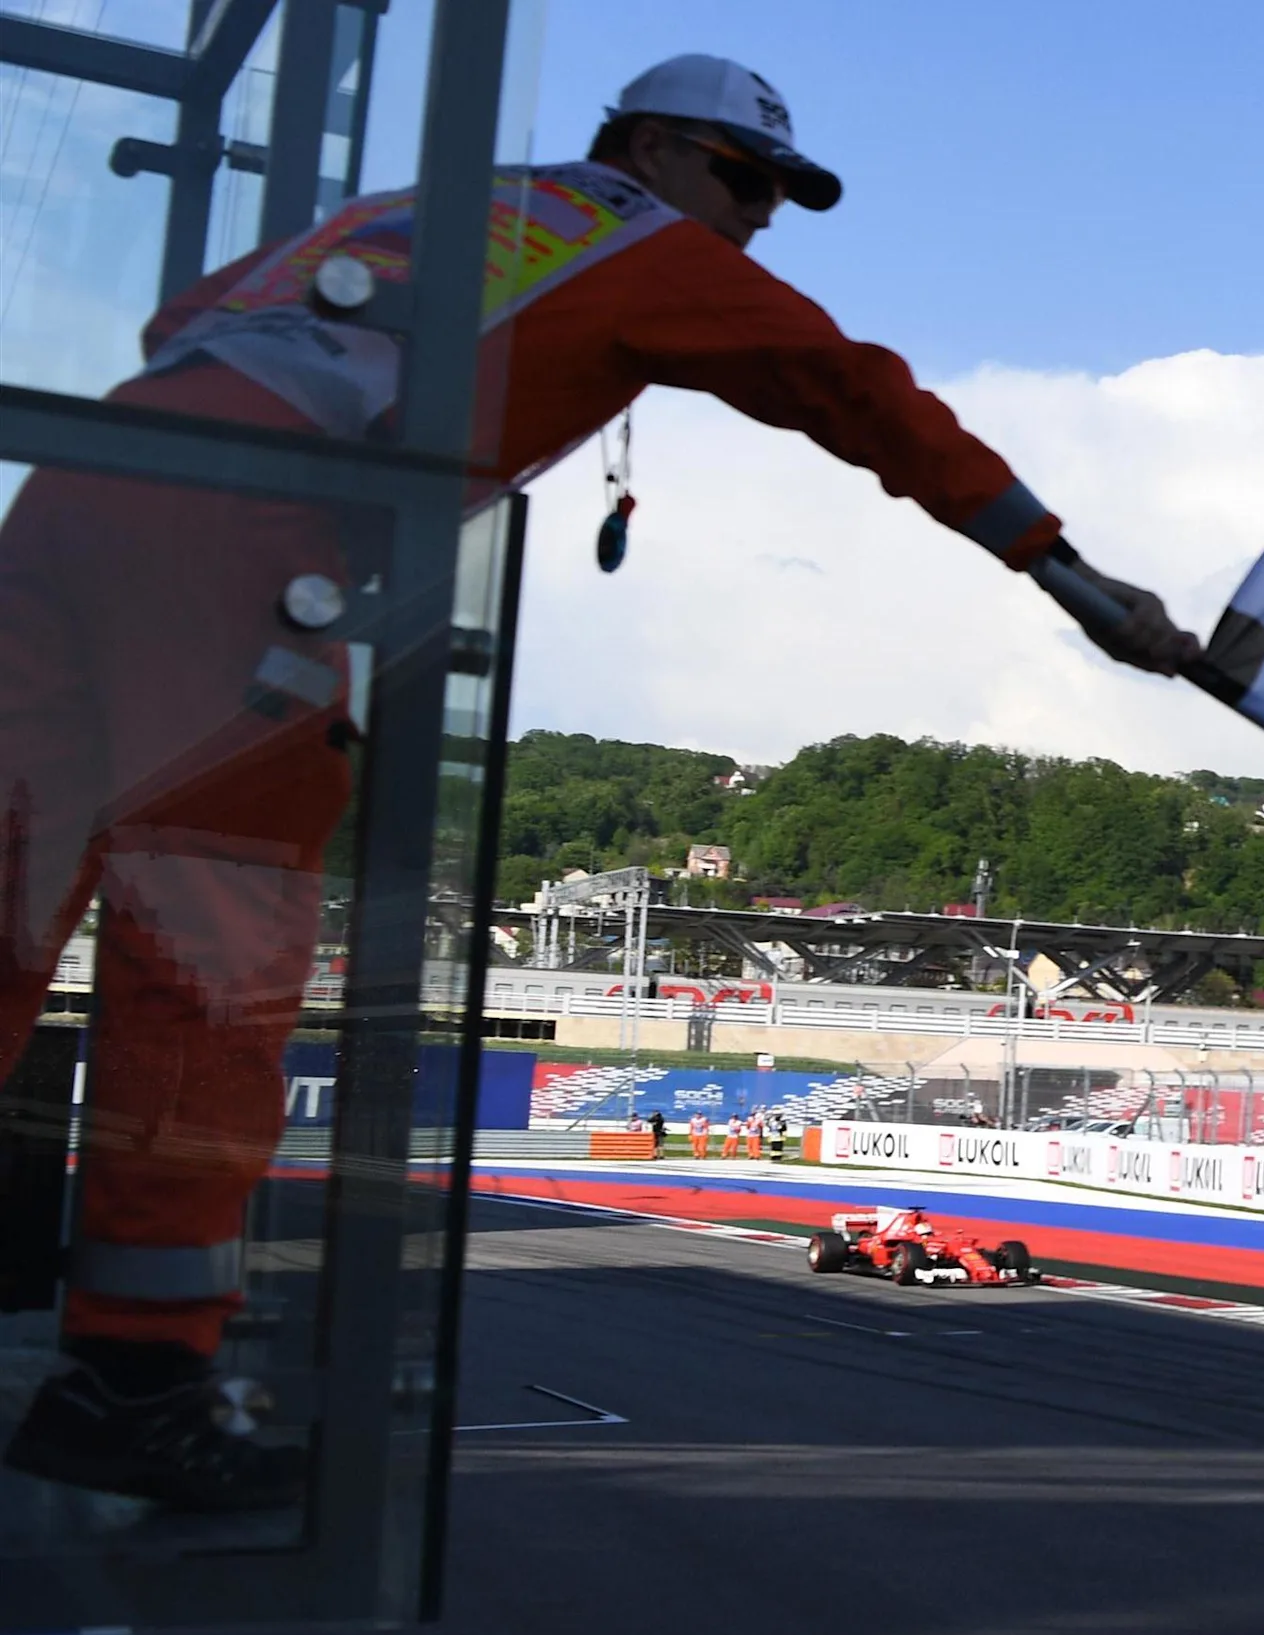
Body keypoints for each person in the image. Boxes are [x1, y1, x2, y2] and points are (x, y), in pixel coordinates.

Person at [1, 55, 1200, 1511]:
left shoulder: (416, 208)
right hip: (250, 538)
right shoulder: (646, 242)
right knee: (208, 963)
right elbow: (864, 399)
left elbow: (181, 319)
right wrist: (1067, 576)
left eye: (777, 197)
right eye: (742, 179)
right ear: (645, 149)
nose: (758, 219)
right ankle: (132, 1381)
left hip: (73, 494)